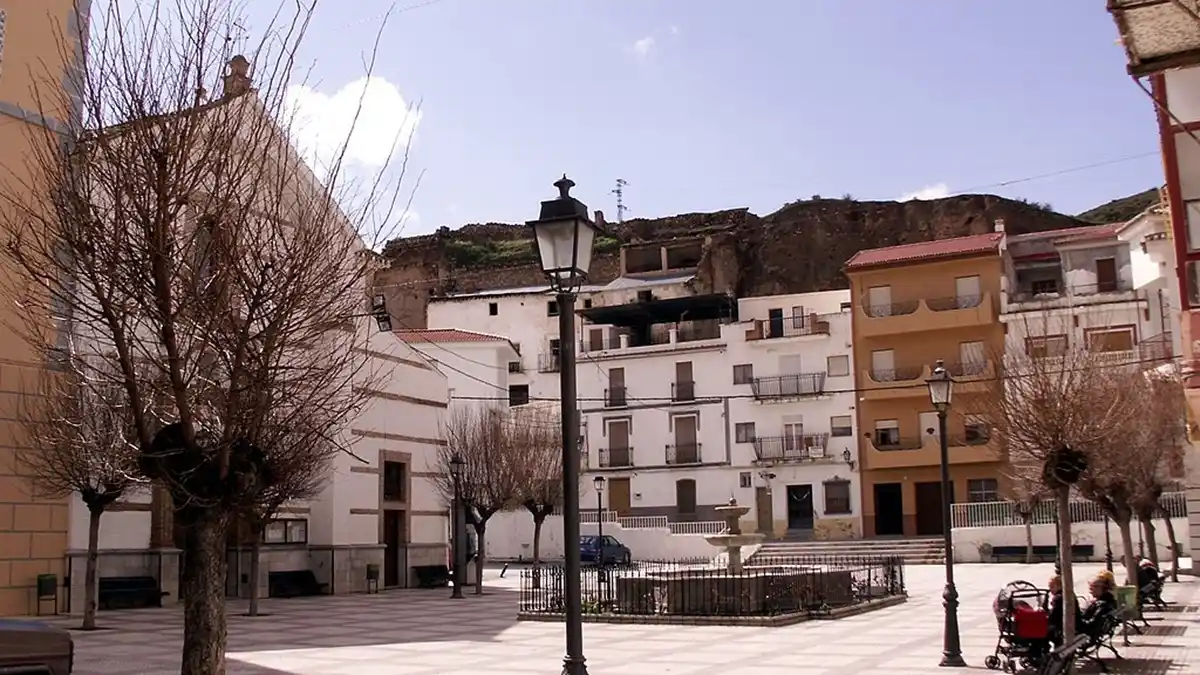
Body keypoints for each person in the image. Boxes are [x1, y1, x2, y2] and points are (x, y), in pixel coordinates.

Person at [1044, 575, 1079, 648]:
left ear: (1060, 586)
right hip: (1073, 623)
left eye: (1052, 586)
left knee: (1041, 630)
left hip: (1062, 627)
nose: (1050, 589)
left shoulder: (1058, 598)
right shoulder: (1069, 594)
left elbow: (1053, 617)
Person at [1080, 572, 1118, 637]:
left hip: (1089, 632)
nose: (1090, 592)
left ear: (1099, 588)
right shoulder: (1108, 600)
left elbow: (1091, 625)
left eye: (1092, 589)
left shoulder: (1102, 605)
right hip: (1096, 629)